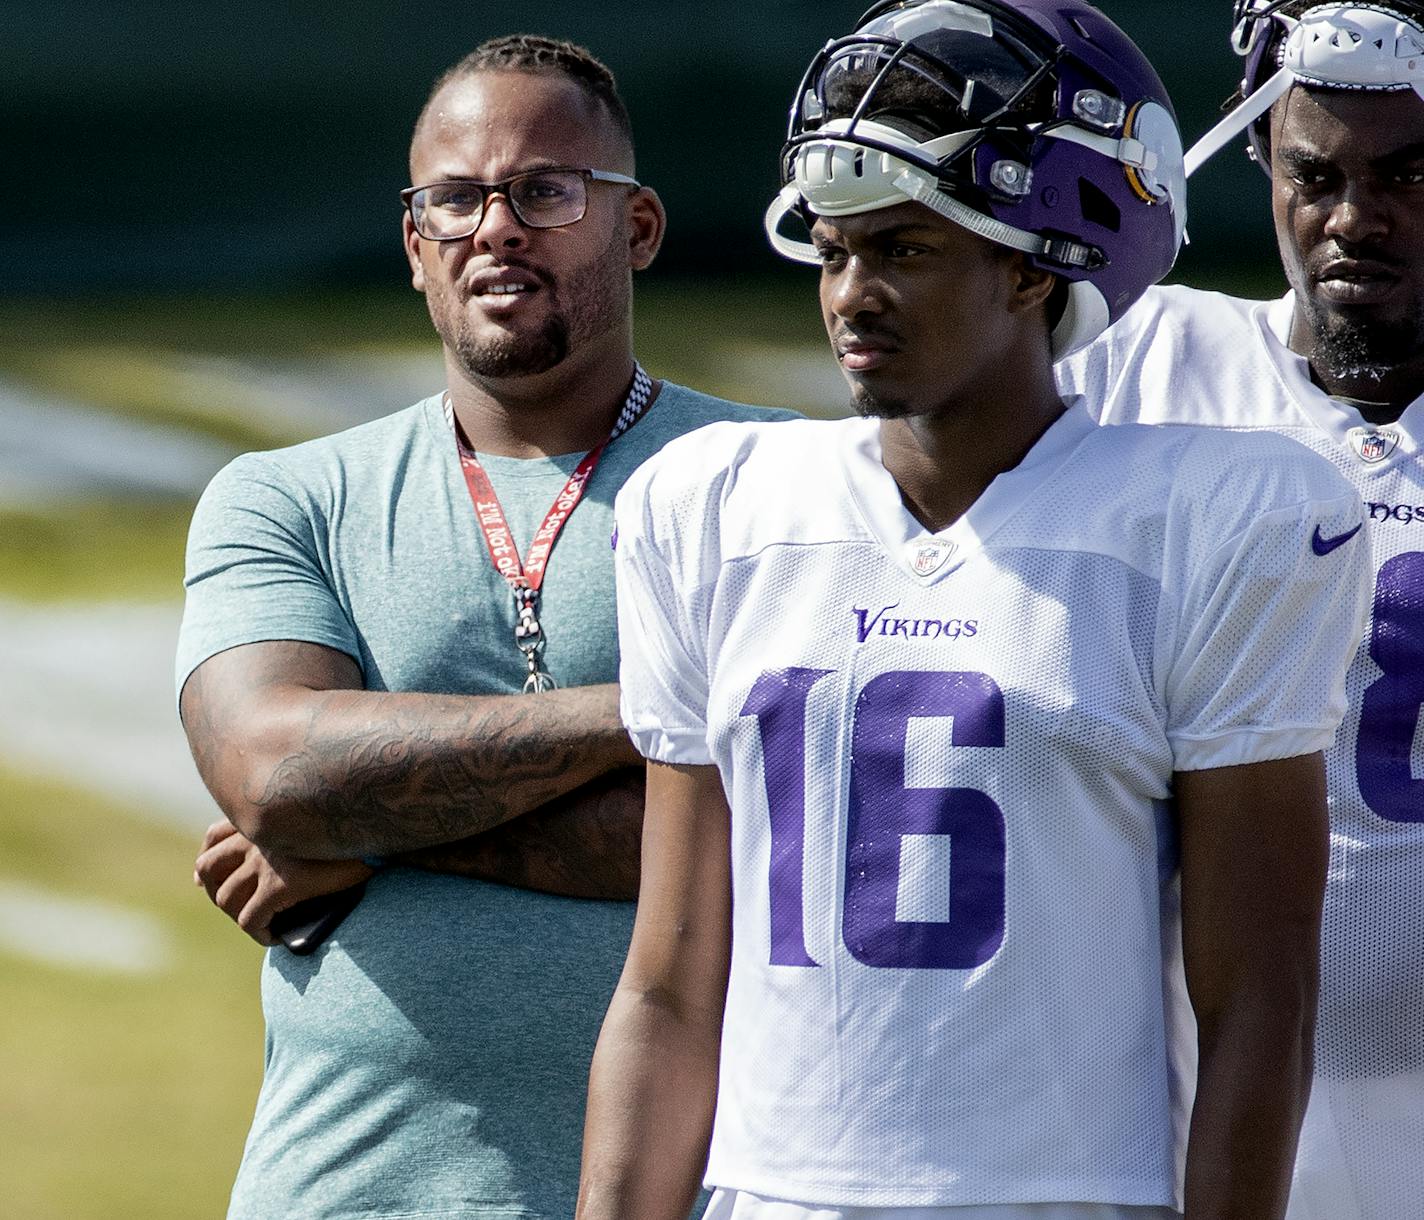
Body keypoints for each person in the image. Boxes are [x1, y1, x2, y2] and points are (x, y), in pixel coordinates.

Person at [576, 2, 1375, 1218]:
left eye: (903, 249)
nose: (853, 295)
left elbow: (1258, 1000)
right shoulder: (717, 509)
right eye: (836, 251)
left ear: (1029, 259)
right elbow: (669, 986)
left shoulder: (1204, 521)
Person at [178, 34, 792, 1220]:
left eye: (545, 191)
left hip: (702, 1188)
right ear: (415, 245)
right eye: (453, 199)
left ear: (640, 228)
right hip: (345, 1188)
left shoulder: (778, 481)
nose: (494, 226)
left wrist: (370, 832)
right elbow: (273, 767)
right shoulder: (285, 494)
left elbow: (798, 840)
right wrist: (651, 717)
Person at [1057, 4, 1424, 1216]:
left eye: (1406, 176)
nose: (1353, 220)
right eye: (1313, 175)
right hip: (1179, 1114)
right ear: (1256, 159)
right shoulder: (1129, 368)